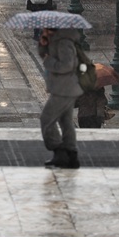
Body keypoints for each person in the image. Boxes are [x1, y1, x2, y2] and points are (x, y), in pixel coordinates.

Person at [37, 28, 82, 168]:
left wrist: (49, 61)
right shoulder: (55, 40)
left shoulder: (64, 43)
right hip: (64, 88)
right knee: (65, 121)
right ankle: (71, 154)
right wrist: (43, 44)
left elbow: (67, 66)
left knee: (46, 119)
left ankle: (59, 151)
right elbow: (44, 55)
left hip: (64, 89)